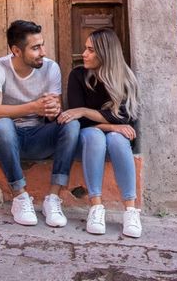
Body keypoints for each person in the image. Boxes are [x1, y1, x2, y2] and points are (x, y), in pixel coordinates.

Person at [0, 20, 80, 227]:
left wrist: (53, 111)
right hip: (7, 140)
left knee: (71, 125)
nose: (43, 52)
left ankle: (53, 198)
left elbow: (54, 111)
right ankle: (20, 197)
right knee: (2, 125)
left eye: (42, 45)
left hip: (39, 138)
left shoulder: (51, 68)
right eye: (35, 48)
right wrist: (33, 107)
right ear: (16, 50)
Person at [57, 28, 142, 238]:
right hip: (88, 142)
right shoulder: (77, 75)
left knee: (117, 138)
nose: (84, 54)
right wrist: (109, 124)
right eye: (85, 49)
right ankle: (96, 206)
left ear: (105, 54)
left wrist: (87, 111)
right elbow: (81, 122)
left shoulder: (125, 79)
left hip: (115, 143)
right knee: (96, 136)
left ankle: (131, 211)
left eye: (91, 50)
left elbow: (125, 121)